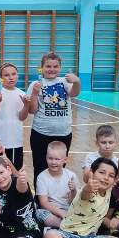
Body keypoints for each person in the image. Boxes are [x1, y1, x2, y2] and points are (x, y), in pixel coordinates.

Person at [44, 158, 119, 238]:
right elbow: (86, 193)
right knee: (50, 236)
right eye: (102, 172)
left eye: (111, 176)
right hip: (68, 236)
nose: (106, 177)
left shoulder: (109, 189)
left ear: (114, 180)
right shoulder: (86, 190)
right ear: (92, 173)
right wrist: (88, 187)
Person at [27, 52, 81, 185]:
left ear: (60, 67)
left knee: (59, 169)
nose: (51, 69)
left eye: (55, 66)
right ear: (42, 68)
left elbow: (74, 93)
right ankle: (40, 195)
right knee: (40, 168)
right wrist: (34, 93)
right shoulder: (35, 84)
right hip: (41, 134)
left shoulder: (65, 82)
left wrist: (77, 81)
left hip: (63, 134)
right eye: (48, 66)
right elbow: (32, 110)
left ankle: (57, 194)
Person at [0, 62, 29, 171]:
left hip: (15, 141)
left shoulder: (21, 94)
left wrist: (26, 105)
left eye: (13, 74)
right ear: (1, 78)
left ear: (17, 75)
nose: (11, 77)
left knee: (14, 172)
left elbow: (22, 117)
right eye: (6, 75)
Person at [35, 141, 81, 228]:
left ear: (65, 160)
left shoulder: (71, 176)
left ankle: (66, 227)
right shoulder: (42, 177)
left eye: (57, 159)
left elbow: (74, 202)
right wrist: (61, 213)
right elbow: (43, 203)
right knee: (39, 213)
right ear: (46, 157)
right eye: (50, 158)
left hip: (68, 211)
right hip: (51, 212)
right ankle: (70, 227)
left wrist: (73, 190)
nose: (53, 162)